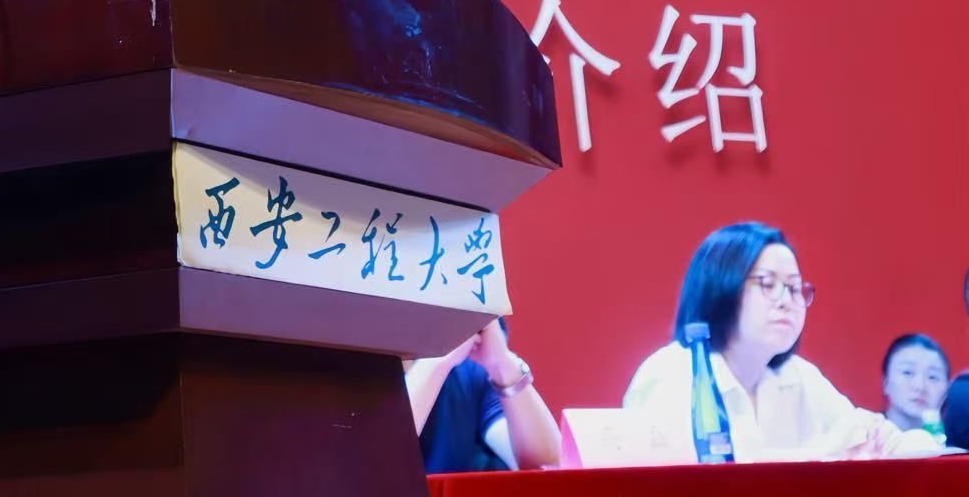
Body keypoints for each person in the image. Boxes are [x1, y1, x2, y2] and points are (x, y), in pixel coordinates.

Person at [623, 222, 944, 462]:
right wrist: (826, 456)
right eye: (767, 284)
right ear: (721, 288)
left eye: (794, 288)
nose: (786, 300)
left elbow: (867, 436)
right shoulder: (671, 373)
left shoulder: (797, 375)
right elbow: (706, 477)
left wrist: (895, 442)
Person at [406, 317, 562, 473]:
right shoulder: (439, 364)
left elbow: (546, 464)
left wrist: (502, 365)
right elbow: (390, 455)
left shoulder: (467, 371)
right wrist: (435, 361)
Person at [881, 333, 950, 432]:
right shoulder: (862, 435)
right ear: (886, 383)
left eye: (932, 377)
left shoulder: (956, 440)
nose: (920, 386)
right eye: (907, 372)